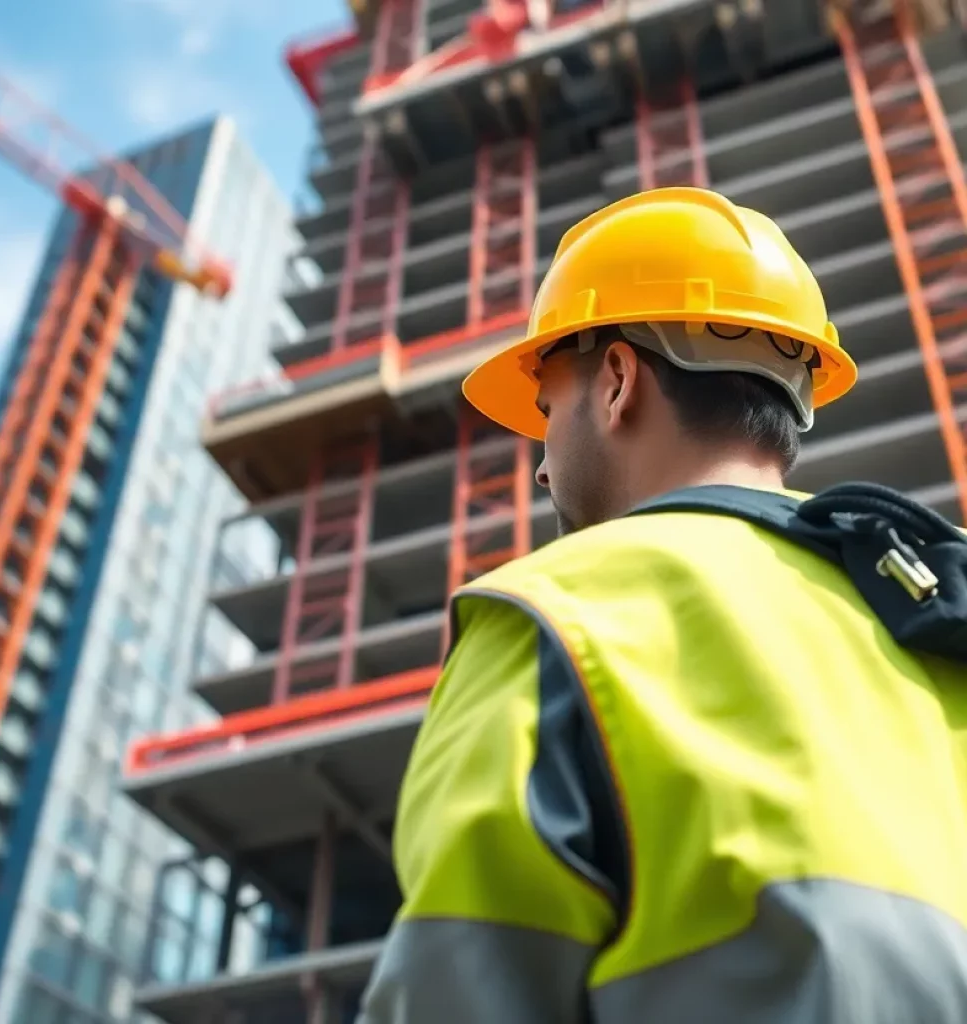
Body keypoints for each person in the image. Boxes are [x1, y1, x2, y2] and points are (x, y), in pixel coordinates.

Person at [356, 187, 967, 1023]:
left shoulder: (553, 615)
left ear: (615, 381)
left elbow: (455, 991)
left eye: (545, 413)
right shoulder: (929, 628)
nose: (540, 469)